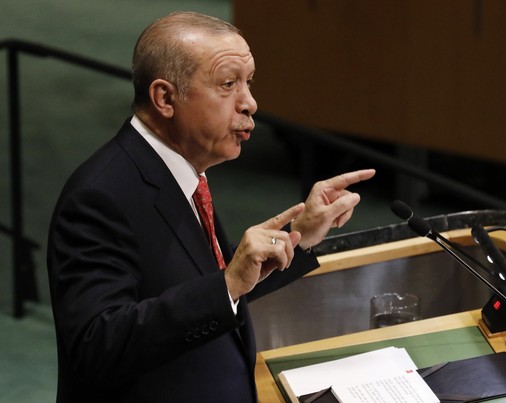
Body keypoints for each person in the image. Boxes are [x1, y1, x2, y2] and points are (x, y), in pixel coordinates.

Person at [46, 11, 375, 403]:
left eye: (248, 82)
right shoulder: (100, 196)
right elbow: (96, 347)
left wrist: (298, 236)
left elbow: (200, 291)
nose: (250, 103)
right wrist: (228, 282)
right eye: (227, 84)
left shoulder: (186, 170)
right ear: (165, 98)